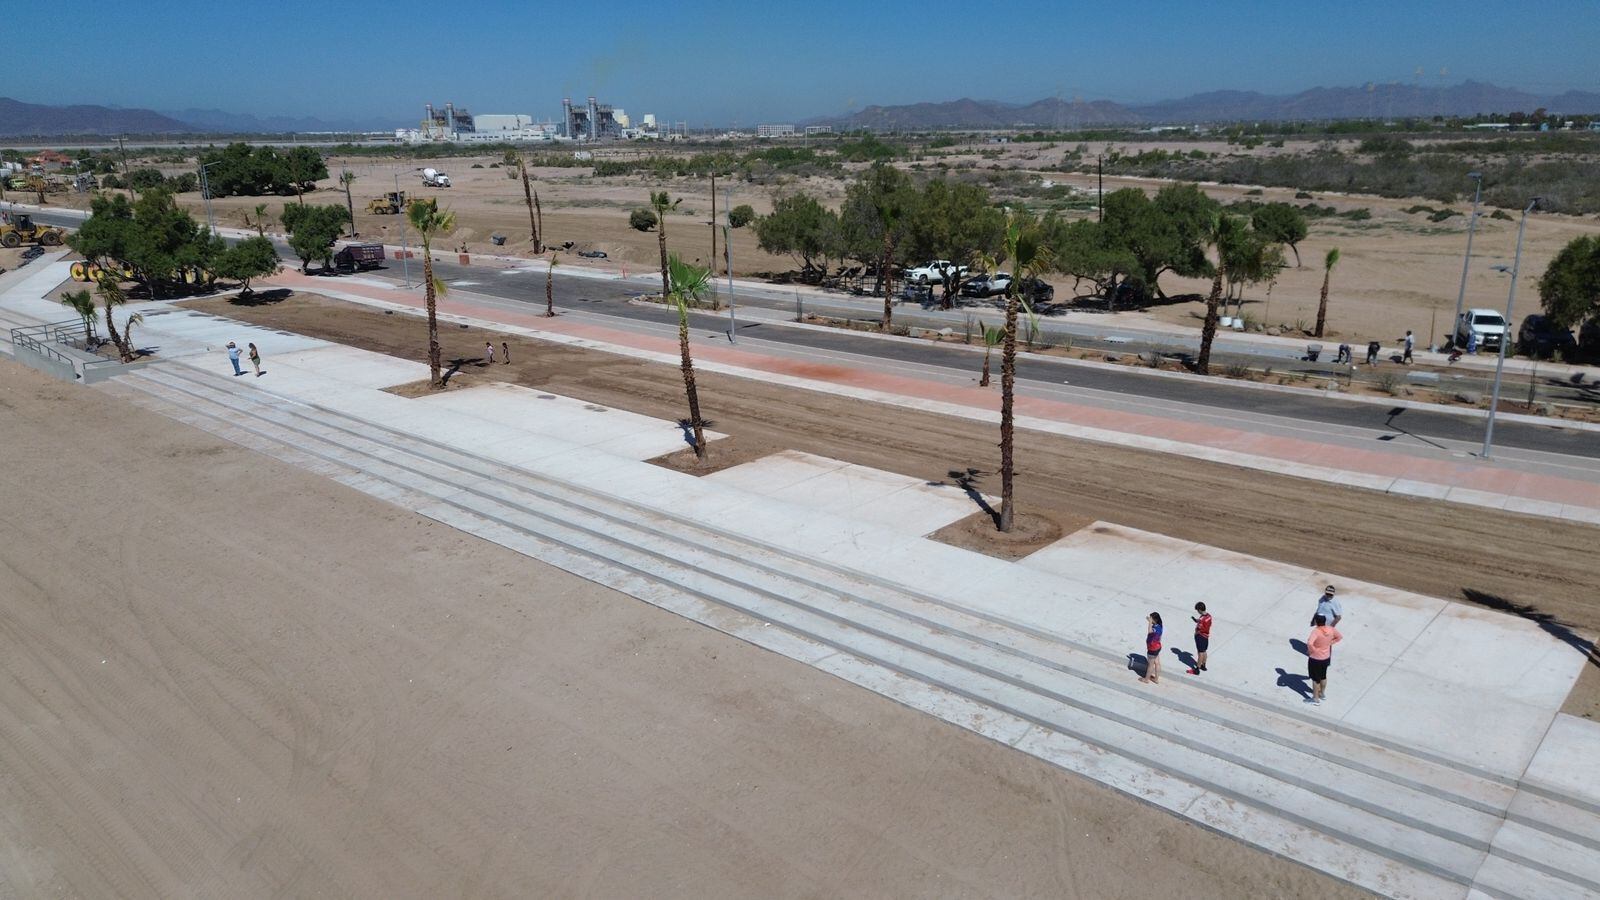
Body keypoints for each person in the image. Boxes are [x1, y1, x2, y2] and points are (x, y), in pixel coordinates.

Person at [1306, 614, 1343, 705]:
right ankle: (1322, 694)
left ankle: (1315, 699)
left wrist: (1313, 651)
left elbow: (1310, 643)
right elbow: (1339, 637)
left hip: (1315, 658)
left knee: (1315, 679)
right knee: (1323, 676)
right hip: (1326, 658)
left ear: (1316, 621)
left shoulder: (1316, 631)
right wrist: (1330, 643)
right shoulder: (1331, 629)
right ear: (1325, 620)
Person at [1188, 602, 1212, 675]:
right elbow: (1204, 622)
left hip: (1200, 636)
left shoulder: (1202, 619)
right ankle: (1203, 665)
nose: (1197, 612)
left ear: (1200, 610)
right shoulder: (1209, 616)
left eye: (1197, 610)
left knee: (1200, 653)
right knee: (1204, 651)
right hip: (1206, 636)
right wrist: (1196, 620)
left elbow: (1200, 627)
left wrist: (1196, 632)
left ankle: (1197, 669)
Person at [1140, 612, 1164, 684]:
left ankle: (1146, 679)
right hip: (1158, 647)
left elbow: (1150, 631)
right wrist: (1151, 622)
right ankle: (1156, 679)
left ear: (1155, 619)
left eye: (1151, 618)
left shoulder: (1154, 628)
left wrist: (1150, 623)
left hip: (1152, 649)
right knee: (1157, 663)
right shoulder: (1159, 626)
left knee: (1150, 665)